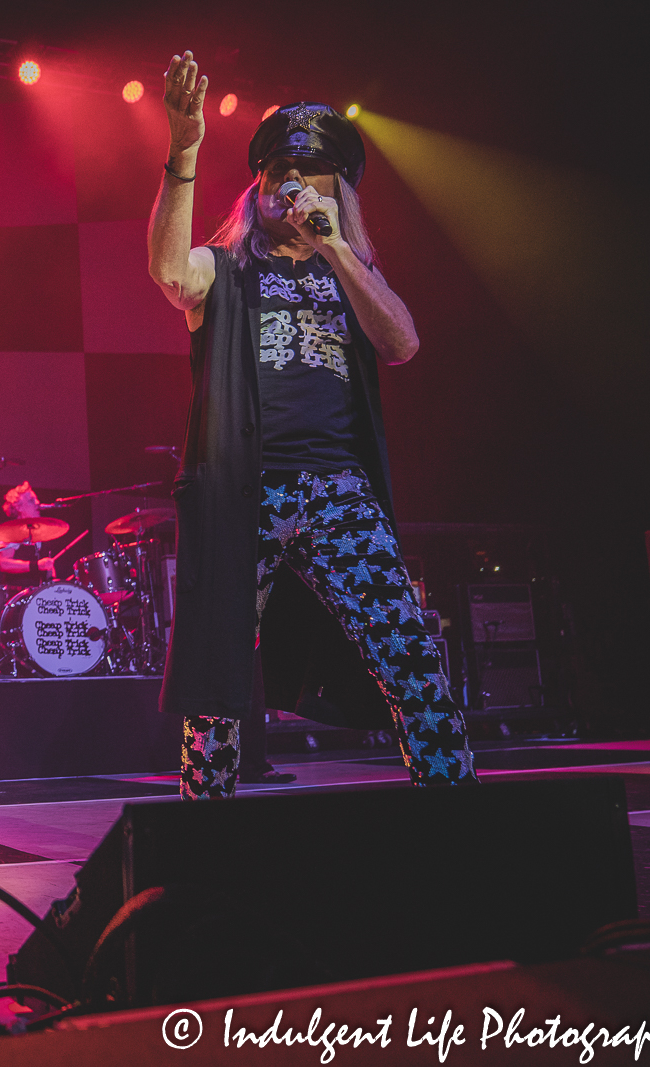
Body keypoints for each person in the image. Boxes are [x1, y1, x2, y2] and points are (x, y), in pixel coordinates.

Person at [146, 53, 476, 798]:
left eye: (308, 169)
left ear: (337, 189)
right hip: (244, 491)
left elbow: (402, 342)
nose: (285, 182)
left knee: (409, 655)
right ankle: (204, 833)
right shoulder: (225, 270)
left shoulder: (348, 272)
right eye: (273, 168)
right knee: (217, 679)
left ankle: (456, 809)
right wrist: (186, 151)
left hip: (339, 491)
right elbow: (170, 273)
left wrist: (334, 246)